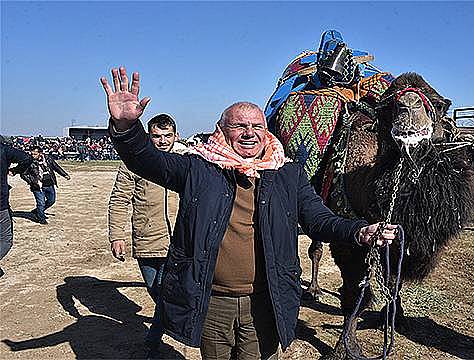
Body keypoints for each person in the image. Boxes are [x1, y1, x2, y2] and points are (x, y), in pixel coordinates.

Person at [100, 67, 396, 359]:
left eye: (257, 126)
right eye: (239, 126)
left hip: (265, 301)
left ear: (266, 132)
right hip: (213, 301)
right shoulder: (199, 168)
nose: (249, 133)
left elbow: (319, 219)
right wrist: (127, 129)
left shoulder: (287, 174)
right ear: (222, 130)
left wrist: (358, 231)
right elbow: (147, 161)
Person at [108, 113, 181, 357]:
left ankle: (152, 341)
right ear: (149, 137)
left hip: (179, 241)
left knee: (166, 290)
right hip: (146, 237)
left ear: (176, 136)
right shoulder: (133, 163)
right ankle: (166, 323)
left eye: (167, 135)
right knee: (156, 291)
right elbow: (119, 200)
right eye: (157, 136)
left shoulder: (185, 162)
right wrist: (116, 235)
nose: (162, 141)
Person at [0, 142, 33, 278]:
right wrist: (16, 170)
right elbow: (27, 159)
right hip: (0, 204)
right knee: (6, 239)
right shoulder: (3, 149)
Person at [20, 145, 70, 224]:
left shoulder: (48, 159)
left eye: (35, 154)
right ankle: (41, 218)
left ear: (40, 153)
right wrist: (32, 181)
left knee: (51, 201)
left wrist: (64, 174)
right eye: (32, 154)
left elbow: (56, 167)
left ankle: (37, 211)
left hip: (49, 184)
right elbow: (23, 174)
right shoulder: (29, 161)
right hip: (37, 186)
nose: (33, 156)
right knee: (41, 203)